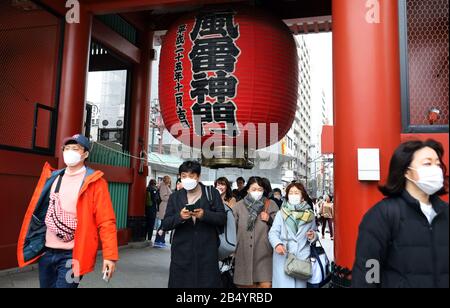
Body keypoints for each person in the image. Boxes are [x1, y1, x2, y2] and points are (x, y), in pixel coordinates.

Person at [17, 134, 118, 288]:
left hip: (74, 256)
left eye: (75, 149)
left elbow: (106, 221)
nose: (70, 152)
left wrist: (110, 256)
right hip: (47, 253)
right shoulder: (53, 178)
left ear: (85, 154)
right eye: (67, 148)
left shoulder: (95, 183)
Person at [352, 139, 449, 288]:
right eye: (427, 163)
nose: (436, 169)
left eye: (437, 164)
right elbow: (369, 271)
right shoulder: (383, 215)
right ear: (407, 171)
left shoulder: (445, 212)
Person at [162, 161, 226, 288]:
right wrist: (180, 217)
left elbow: (222, 218)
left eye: (191, 176)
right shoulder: (175, 197)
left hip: (207, 252)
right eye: (184, 176)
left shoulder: (211, 193)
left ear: (198, 177)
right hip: (182, 253)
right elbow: (166, 224)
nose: (187, 179)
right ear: (180, 176)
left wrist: (204, 215)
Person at [233, 176, 279, 288]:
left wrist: (269, 219)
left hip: (265, 254)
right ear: (248, 189)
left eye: (260, 190)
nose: (257, 192)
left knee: (266, 285)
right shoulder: (238, 206)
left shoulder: (271, 204)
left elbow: (280, 229)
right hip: (243, 255)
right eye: (254, 189)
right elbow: (232, 230)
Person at [269, 182, 317, 288]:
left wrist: (312, 236)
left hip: (301, 259)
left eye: (296, 193)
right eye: (290, 193)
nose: (293, 195)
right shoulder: (281, 213)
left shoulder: (310, 215)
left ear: (302, 197)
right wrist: (277, 244)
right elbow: (273, 232)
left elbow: (314, 232)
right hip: (283, 256)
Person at [154, 175, 172, 248]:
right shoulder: (163, 186)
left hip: (164, 207)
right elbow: (163, 197)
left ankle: (160, 240)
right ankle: (159, 240)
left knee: (163, 224)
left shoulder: (164, 186)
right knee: (163, 225)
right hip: (163, 207)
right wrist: (171, 197)